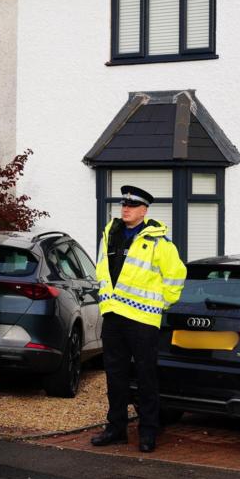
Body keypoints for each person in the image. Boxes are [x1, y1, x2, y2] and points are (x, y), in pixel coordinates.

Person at [90, 185, 186, 453]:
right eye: (124, 205)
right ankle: (116, 429)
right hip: (113, 316)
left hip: (143, 320)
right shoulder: (111, 233)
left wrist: (160, 303)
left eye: (132, 206)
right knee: (115, 376)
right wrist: (105, 299)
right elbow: (102, 268)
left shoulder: (159, 242)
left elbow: (176, 277)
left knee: (146, 377)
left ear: (144, 211)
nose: (126, 209)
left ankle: (148, 432)